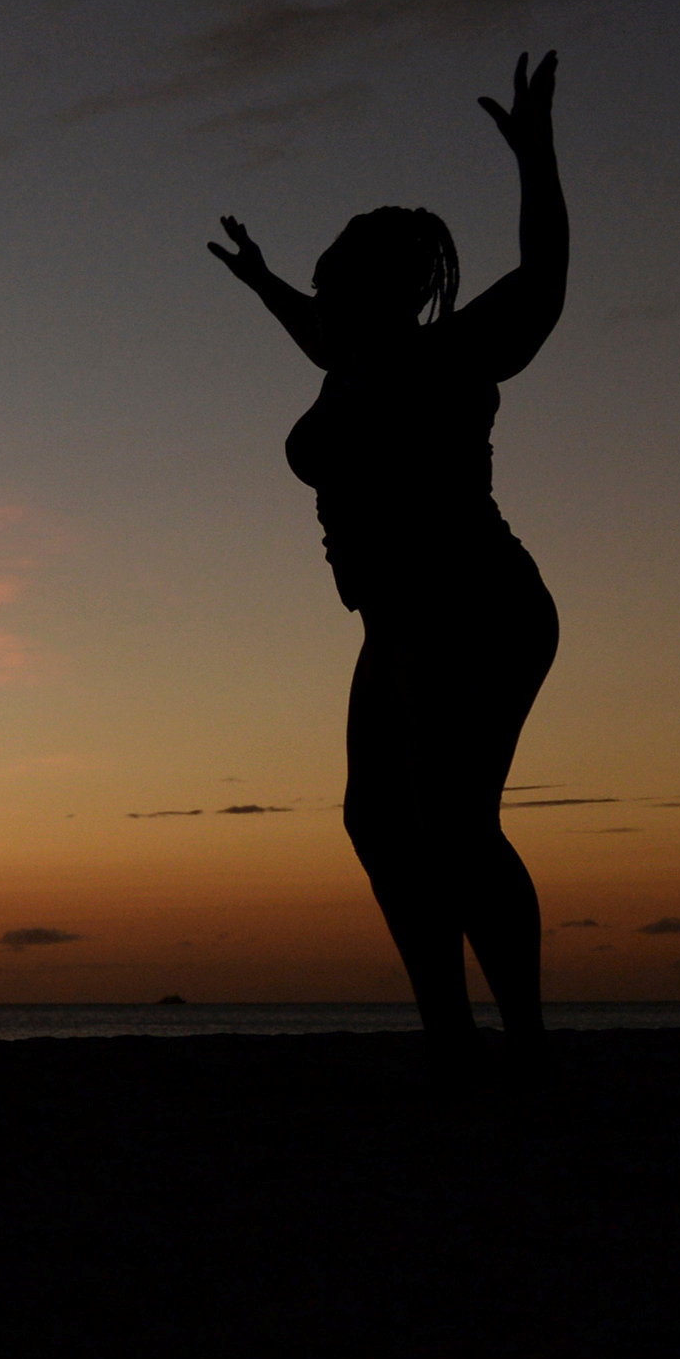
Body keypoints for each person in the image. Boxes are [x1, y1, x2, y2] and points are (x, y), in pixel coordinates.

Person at [210, 51, 567, 1065]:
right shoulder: (350, 360)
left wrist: (534, 160)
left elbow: (539, 283)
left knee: (453, 826)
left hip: (474, 606)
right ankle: (450, 1035)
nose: (328, 286)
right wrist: (257, 278)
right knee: (377, 822)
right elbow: (308, 331)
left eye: (345, 272)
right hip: (395, 622)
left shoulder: (447, 354)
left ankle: (525, 1043)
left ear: (397, 284)